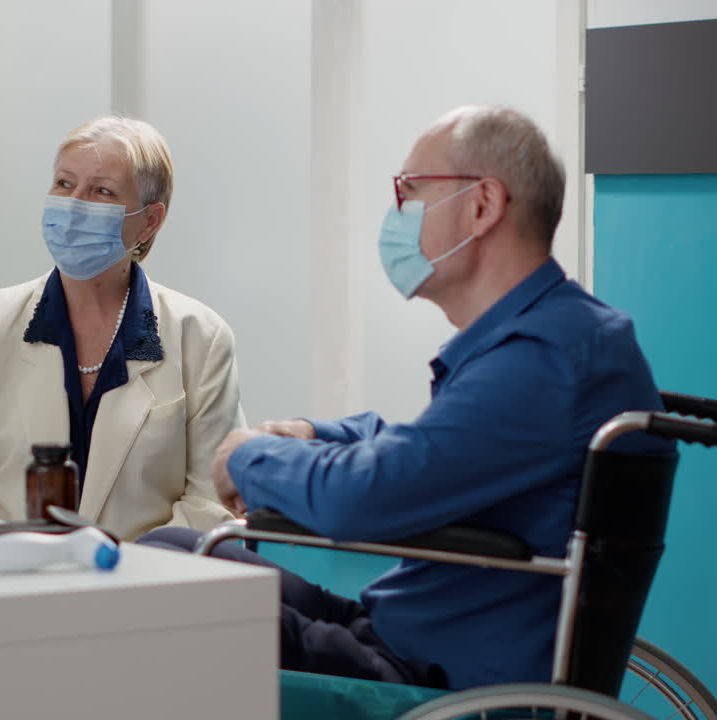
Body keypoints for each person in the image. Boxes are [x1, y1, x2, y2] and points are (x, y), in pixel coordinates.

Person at [140, 105, 671, 690]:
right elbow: (434, 451)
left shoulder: (543, 358)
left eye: (410, 191)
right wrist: (315, 435)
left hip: (429, 677)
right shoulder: (560, 340)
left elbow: (364, 497)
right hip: (411, 635)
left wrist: (246, 457)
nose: (396, 214)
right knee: (169, 550)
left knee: (158, 589)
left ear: (482, 205)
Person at [0, 115, 240, 540]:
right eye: (64, 183)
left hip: (149, 574)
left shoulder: (201, 337)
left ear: (149, 221)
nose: (73, 204)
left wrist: (119, 568)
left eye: (102, 191)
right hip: (7, 569)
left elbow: (211, 502)